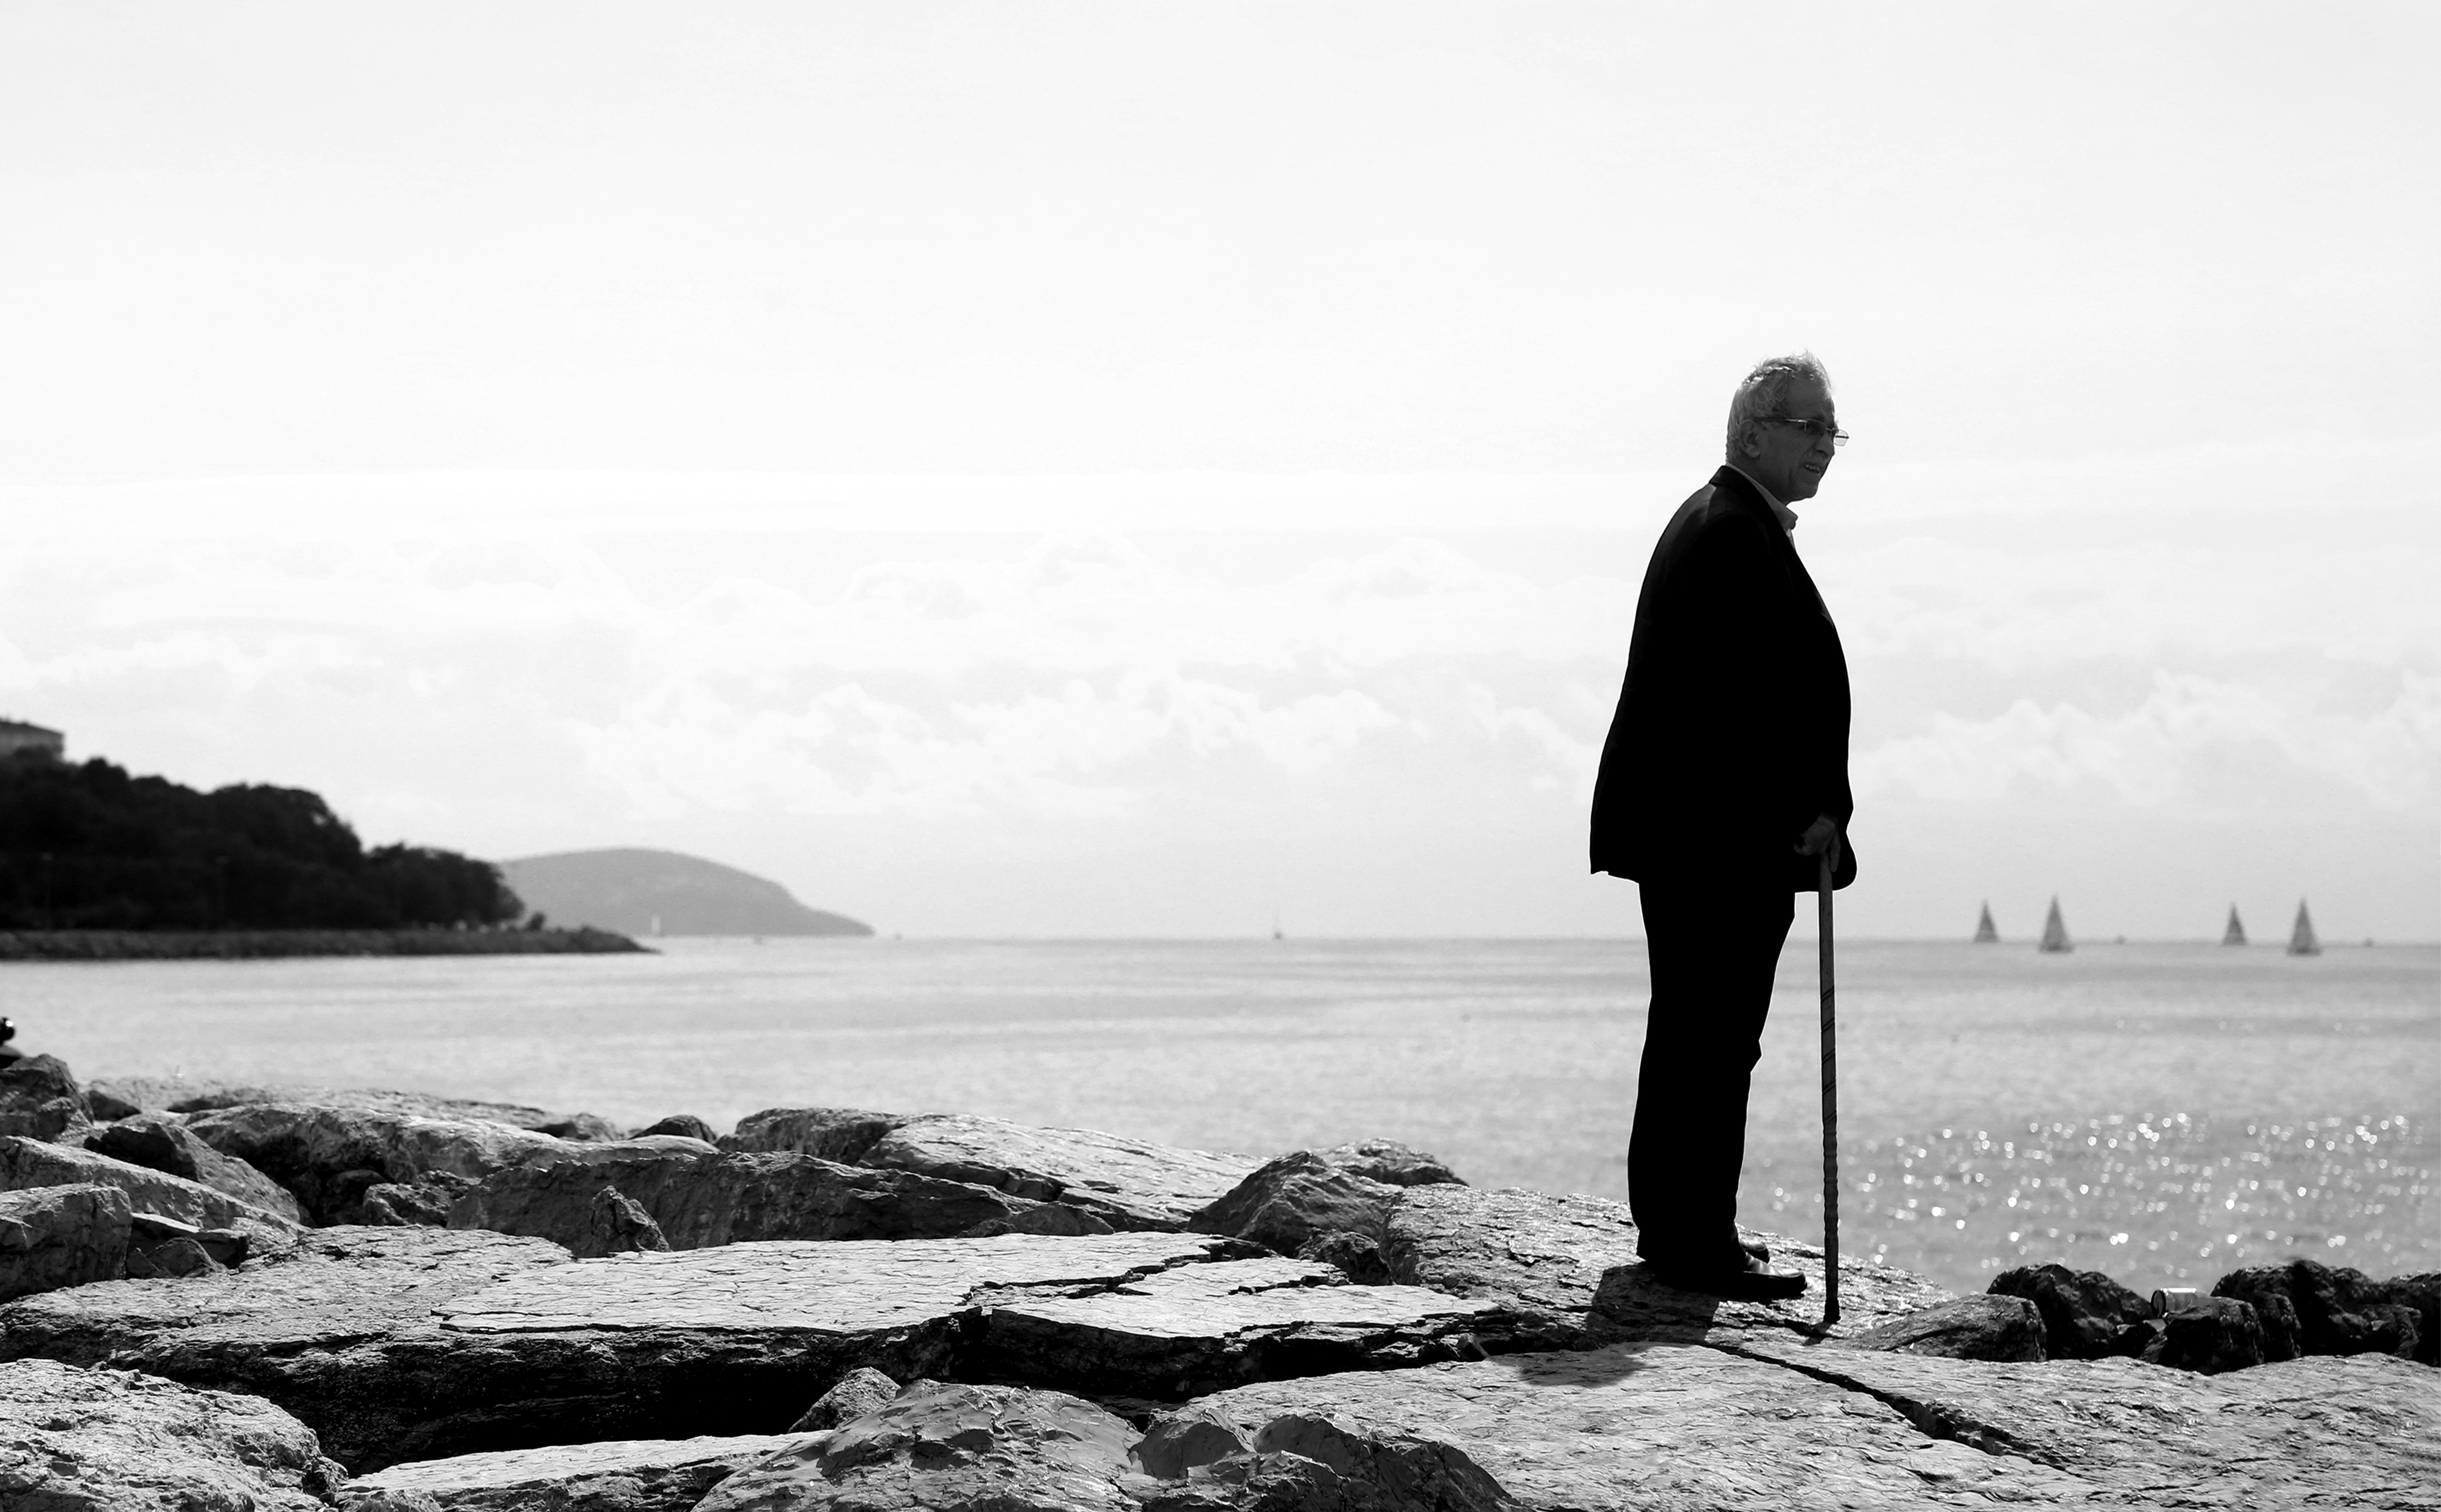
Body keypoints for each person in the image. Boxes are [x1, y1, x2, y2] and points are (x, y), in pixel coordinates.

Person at [1588, 352, 1857, 1301]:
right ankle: (1690, 1237)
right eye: (1810, 427)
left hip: (1706, 834)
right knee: (1710, 1031)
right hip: (1719, 840)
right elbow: (1746, 712)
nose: (1827, 445)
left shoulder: (1727, 523)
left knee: (1701, 1029)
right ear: (1755, 433)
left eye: (1834, 429)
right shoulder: (1730, 532)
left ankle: (1685, 1227)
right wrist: (1811, 812)